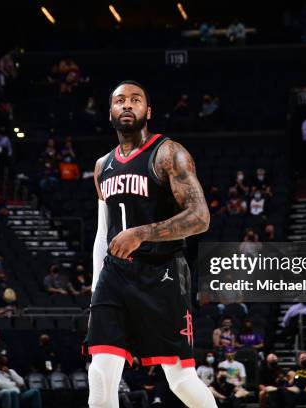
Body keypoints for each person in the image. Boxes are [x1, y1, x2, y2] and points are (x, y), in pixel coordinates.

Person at [85, 80, 216, 408]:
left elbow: (200, 217)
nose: (127, 105)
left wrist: (142, 233)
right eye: (119, 101)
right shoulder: (102, 166)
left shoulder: (168, 153)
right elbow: (104, 232)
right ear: (111, 111)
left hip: (163, 273)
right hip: (114, 276)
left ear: (148, 111)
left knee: (181, 380)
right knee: (100, 373)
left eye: (135, 99)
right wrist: (95, 284)